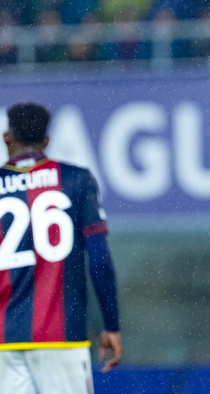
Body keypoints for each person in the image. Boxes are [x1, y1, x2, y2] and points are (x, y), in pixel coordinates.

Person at [0, 102, 122, 393]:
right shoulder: (75, 179)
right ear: (46, 141)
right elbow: (99, 261)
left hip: (4, 340)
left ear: (7, 137)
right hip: (61, 336)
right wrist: (112, 324)